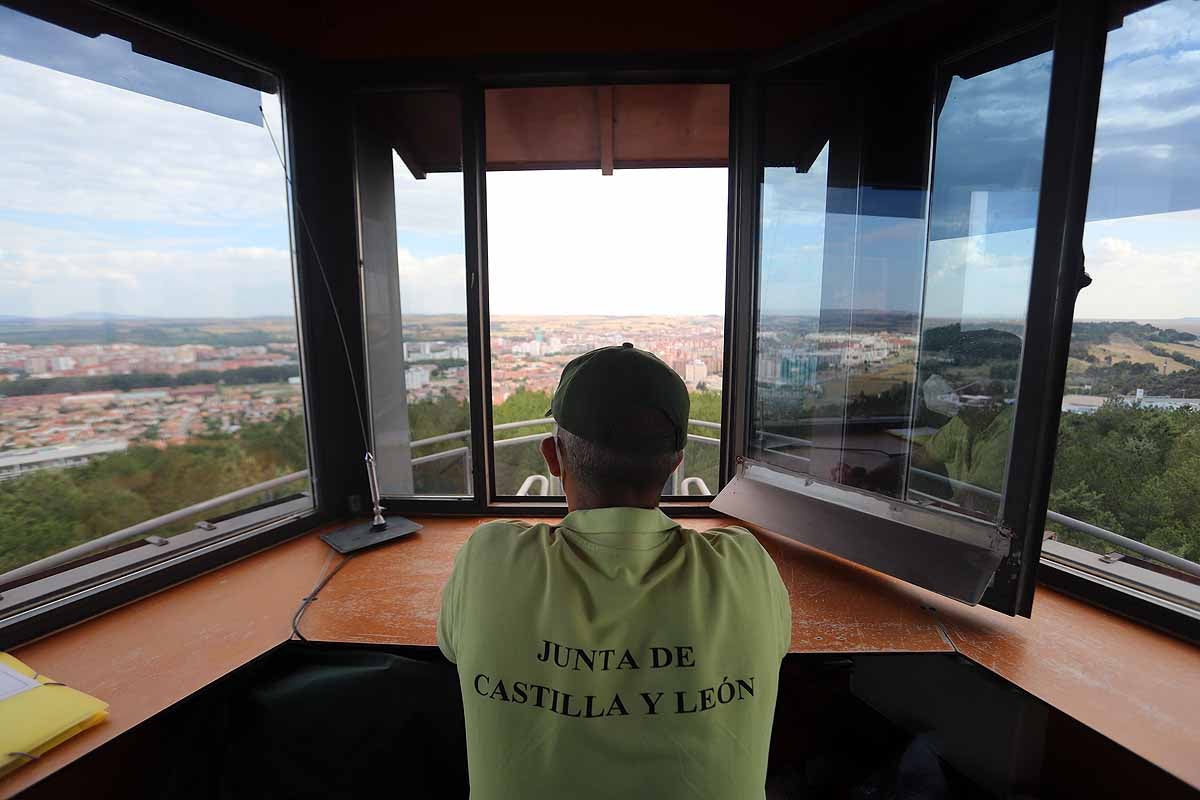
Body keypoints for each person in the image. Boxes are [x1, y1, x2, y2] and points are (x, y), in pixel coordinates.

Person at [437, 343, 792, 800]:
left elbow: (450, 648)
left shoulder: (488, 558)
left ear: (552, 457)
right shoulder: (748, 568)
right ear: (675, 463)